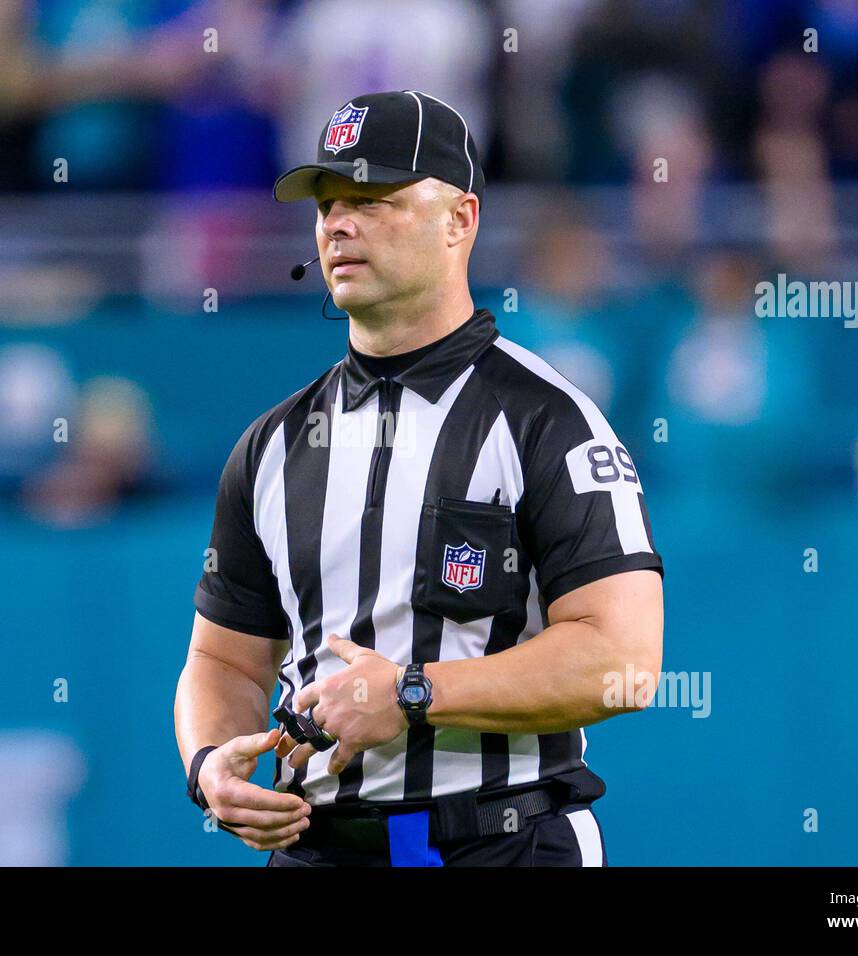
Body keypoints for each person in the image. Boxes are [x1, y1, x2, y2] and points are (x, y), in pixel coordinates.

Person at [174, 91, 665, 867]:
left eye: (372, 198)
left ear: (459, 220)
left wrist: (413, 693)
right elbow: (225, 659)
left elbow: (626, 663)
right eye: (329, 202)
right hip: (319, 849)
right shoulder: (270, 446)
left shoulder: (545, 421)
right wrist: (211, 765)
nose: (339, 222)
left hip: (501, 843)